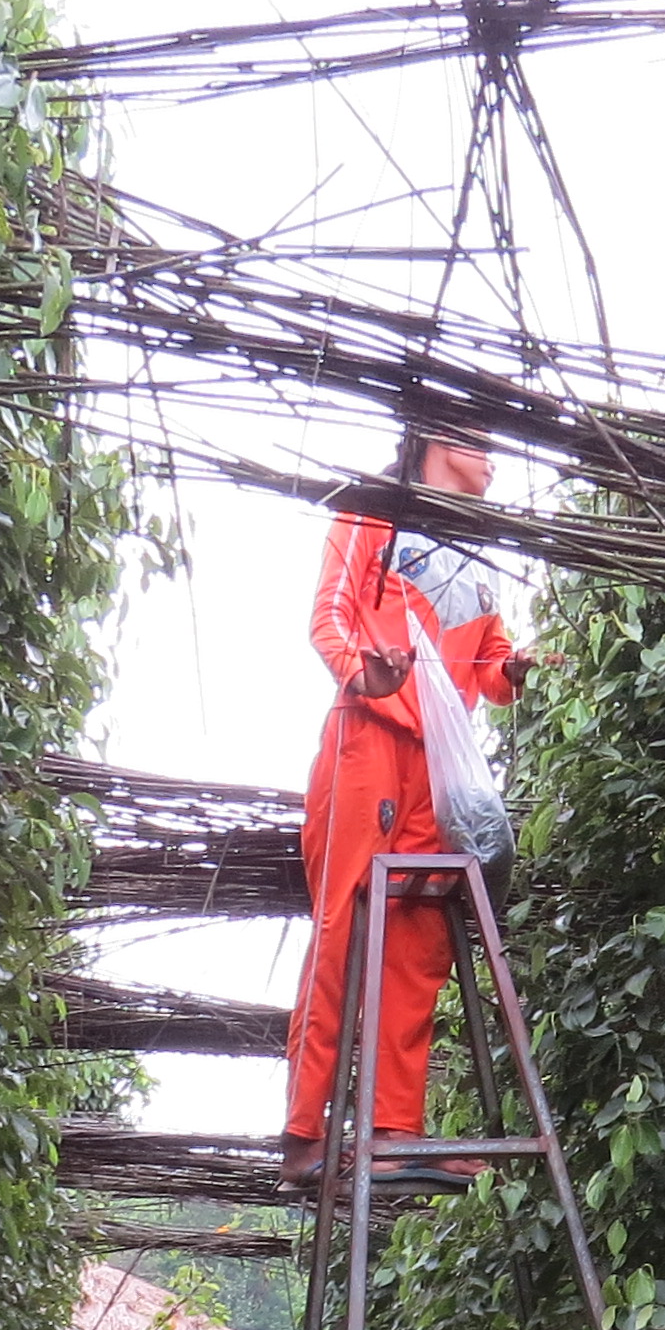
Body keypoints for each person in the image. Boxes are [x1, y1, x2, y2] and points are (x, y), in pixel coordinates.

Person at [281, 426, 528, 1195]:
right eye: (481, 440)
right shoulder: (371, 515)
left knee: (420, 935)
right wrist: (365, 677)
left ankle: (393, 1132)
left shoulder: (480, 555)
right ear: (440, 440)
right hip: (369, 742)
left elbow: (486, 668)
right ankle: (303, 1137)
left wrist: (512, 669)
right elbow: (327, 621)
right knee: (343, 925)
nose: (494, 456)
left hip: (436, 766)